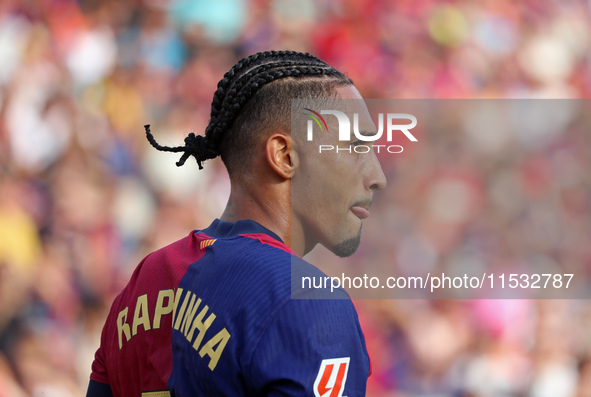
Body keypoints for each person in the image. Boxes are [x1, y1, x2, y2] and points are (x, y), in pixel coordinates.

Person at [86, 50, 386, 397]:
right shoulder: (308, 300)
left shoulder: (143, 281)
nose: (377, 176)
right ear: (285, 156)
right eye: (356, 146)